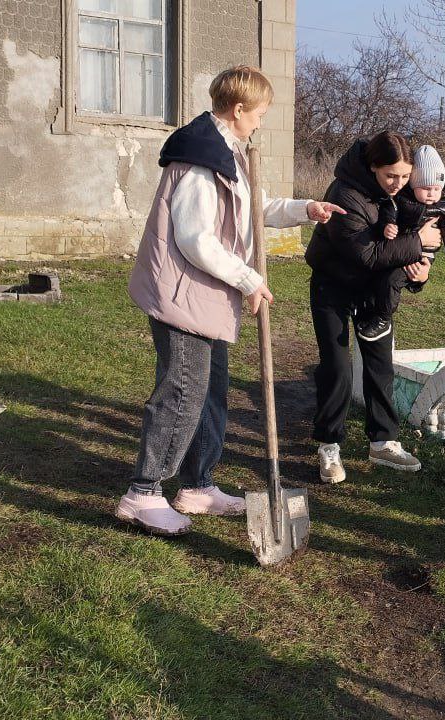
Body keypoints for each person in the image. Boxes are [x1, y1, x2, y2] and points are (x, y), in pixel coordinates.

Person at [118, 65, 343, 535]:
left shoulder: (229, 154)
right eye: (260, 113)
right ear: (238, 110)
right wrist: (248, 278)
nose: (262, 122)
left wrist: (306, 209)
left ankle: (197, 485)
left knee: (211, 391)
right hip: (183, 295)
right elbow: (196, 238)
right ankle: (143, 492)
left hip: (205, 298)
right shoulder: (202, 161)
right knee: (182, 391)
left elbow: (252, 210)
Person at [304, 131, 444, 483]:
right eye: (390, 176)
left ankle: (383, 441)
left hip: (374, 293)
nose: (398, 184)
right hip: (332, 288)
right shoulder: (344, 194)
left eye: (405, 176)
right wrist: (419, 242)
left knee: (380, 366)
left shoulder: (401, 195)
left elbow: (408, 249)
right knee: (337, 369)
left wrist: (420, 269)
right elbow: (368, 254)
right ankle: (329, 446)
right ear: (372, 167)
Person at [356, 144, 445, 342]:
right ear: (414, 185)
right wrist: (387, 225)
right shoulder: (401, 199)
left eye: (436, 189)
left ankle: (383, 319)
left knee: (392, 281)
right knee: (380, 277)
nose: (432, 194)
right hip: (401, 248)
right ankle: (372, 311)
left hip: (423, 255)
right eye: (425, 188)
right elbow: (389, 212)